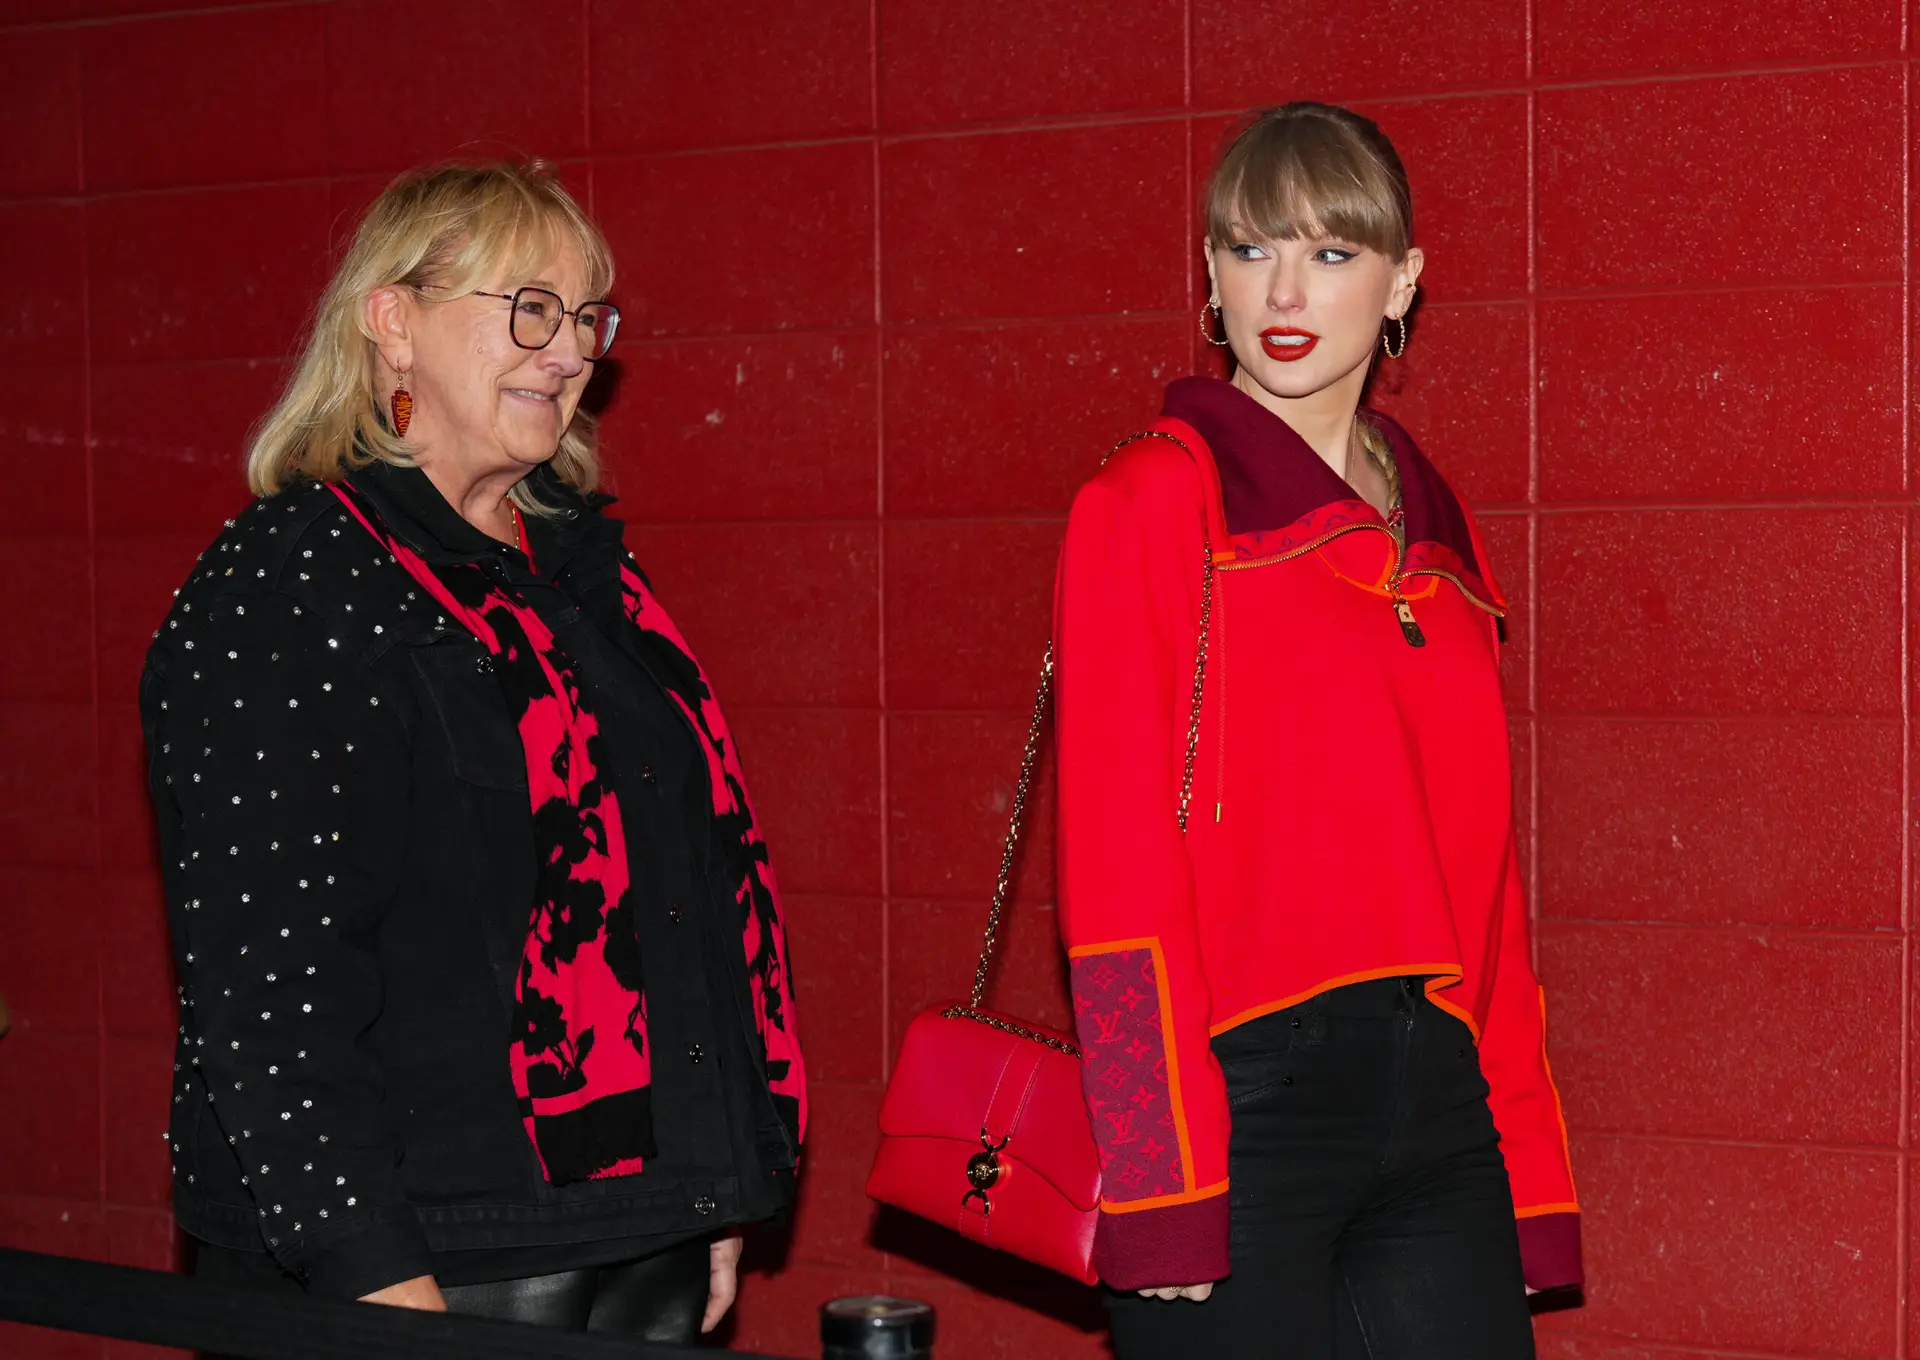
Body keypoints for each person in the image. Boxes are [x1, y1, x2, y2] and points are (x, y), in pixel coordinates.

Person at [140, 160, 806, 1341]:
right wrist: (381, 1287)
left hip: (634, 1237)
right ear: (392, 324)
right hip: (417, 1271)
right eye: (528, 307)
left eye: (587, 317)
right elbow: (270, 987)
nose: (568, 350)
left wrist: (714, 1182)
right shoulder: (294, 578)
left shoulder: (592, 580)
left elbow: (688, 900)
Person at [1054, 103, 1579, 1358]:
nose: (1283, 289)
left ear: (1402, 281)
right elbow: (1112, 871)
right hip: (1242, 1101)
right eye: (1248, 249)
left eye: (1332, 254)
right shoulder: (1150, 503)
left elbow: (1487, 892)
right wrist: (1158, 1169)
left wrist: (1532, 1174)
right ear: (1211, 279)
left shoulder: (1442, 542)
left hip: (1437, 1103)